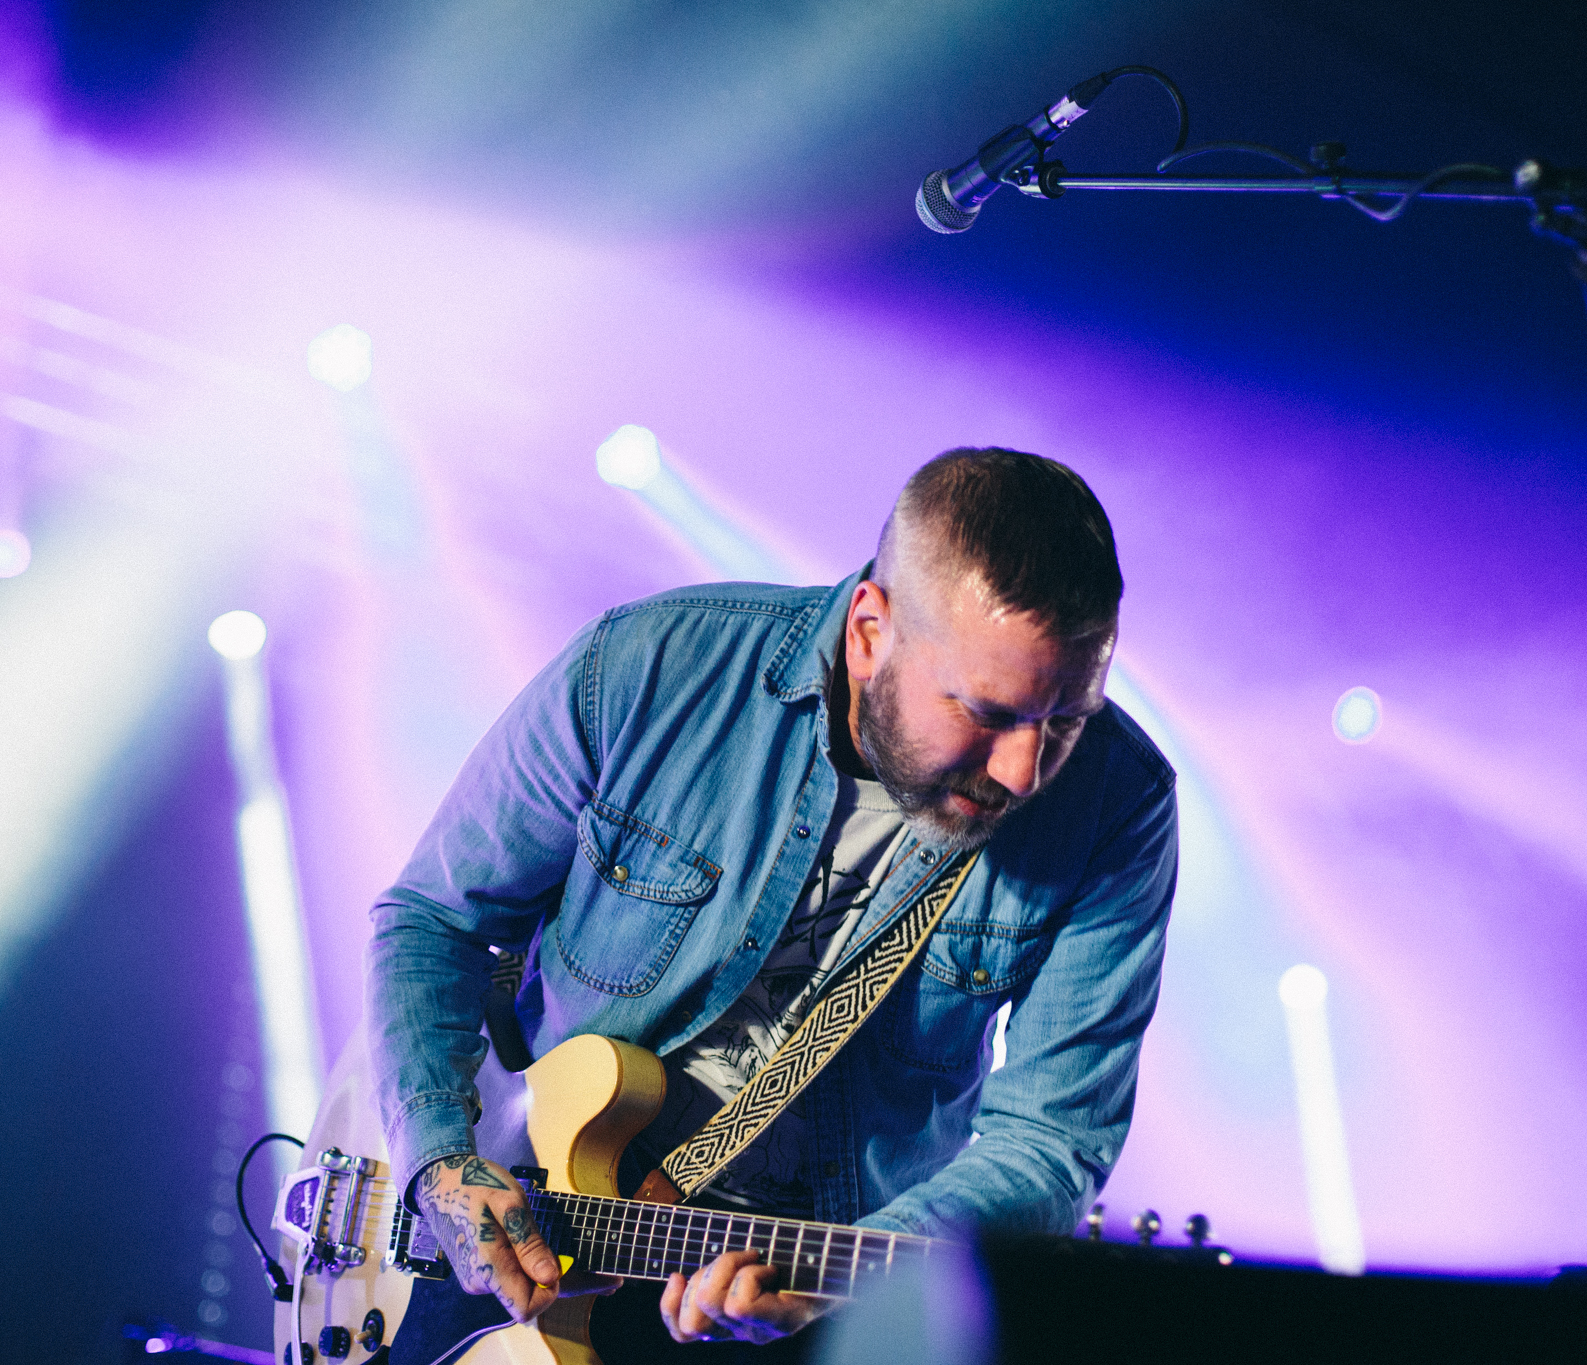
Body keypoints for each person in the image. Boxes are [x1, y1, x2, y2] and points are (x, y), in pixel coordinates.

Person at [366, 447, 1178, 1356]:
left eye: (1066, 720)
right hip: (517, 1227)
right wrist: (441, 1157)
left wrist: (857, 1280)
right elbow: (433, 920)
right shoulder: (649, 666)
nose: (1025, 772)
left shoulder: (1118, 805)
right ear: (869, 631)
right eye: (986, 712)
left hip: (816, 1301)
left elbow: (1051, 1140)